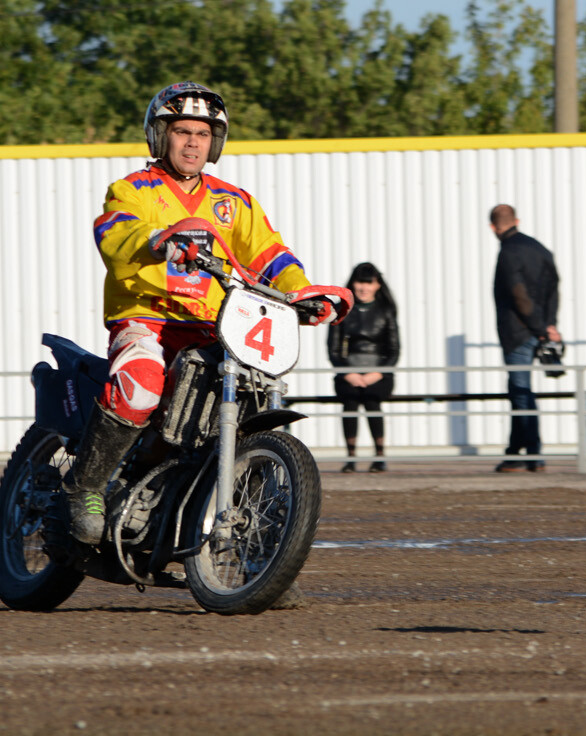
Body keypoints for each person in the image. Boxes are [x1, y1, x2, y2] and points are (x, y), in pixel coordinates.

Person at [67, 81, 349, 543]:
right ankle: (86, 487)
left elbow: (268, 255)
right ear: (161, 136)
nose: (193, 141)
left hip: (213, 326)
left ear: (214, 141)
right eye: (182, 131)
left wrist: (304, 293)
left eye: (202, 133)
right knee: (142, 385)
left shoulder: (232, 202)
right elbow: (115, 234)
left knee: (250, 396)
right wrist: (161, 239)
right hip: (147, 318)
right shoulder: (132, 190)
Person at [489, 204, 560, 473]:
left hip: (518, 332)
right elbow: (554, 288)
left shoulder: (508, 252)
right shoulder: (540, 249)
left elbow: (519, 296)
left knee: (521, 393)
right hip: (540, 328)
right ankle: (515, 452)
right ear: (516, 220)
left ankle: (533, 454)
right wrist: (550, 324)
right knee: (519, 391)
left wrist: (539, 326)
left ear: (493, 227)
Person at [328, 262, 400, 473]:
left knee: (371, 399)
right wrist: (347, 372)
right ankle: (351, 457)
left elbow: (394, 350)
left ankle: (379, 455)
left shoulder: (386, 311)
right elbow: (332, 350)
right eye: (360, 282)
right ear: (352, 283)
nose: (363, 288)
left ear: (378, 285)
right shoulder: (343, 310)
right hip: (348, 371)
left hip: (379, 373)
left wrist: (378, 373)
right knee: (349, 400)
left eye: (369, 283)